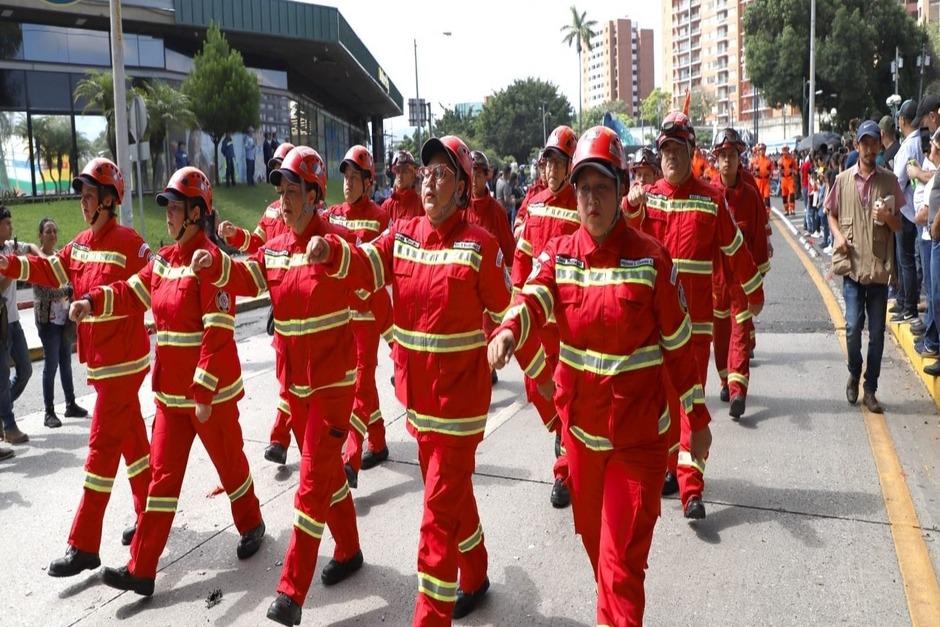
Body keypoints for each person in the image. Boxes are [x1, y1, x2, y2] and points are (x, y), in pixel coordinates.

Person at [489, 126, 711, 626]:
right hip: (583, 442)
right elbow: (532, 297)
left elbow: (680, 348)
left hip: (638, 444)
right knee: (599, 553)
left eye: (602, 188)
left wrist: (696, 419)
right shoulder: (560, 253)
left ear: (621, 188)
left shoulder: (651, 259)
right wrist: (508, 331)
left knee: (620, 567)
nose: (591, 200)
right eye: (583, 189)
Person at [305, 135, 510, 624]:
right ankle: (476, 574)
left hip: (459, 411)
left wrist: (505, 337)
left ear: (462, 189)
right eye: (427, 173)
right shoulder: (402, 234)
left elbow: (509, 308)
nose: (430, 182)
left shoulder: (480, 246)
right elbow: (366, 265)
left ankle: (429, 615)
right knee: (452, 498)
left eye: (443, 174)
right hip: (420, 404)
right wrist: (332, 252)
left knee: (435, 522)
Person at [196, 146, 364, 626]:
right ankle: (349, 550)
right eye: (282, 191)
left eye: (294, 191)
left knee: (309, 486)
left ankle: (291, 593)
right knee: (327, 477)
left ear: (314, 195)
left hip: (332, 391)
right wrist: (216, 263)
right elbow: (249, 274)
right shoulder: (276, 246)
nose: (284, 200)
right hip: (297, 391)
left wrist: (331, 253)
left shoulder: (337, 240)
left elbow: (363, 266)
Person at [80, 166, 265, 596]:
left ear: (197, 213)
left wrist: (203, 392)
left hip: (209, 397)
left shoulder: (211, 261)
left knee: (230, 464)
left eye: (175, 207)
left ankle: (251, 522)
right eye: (167, 206)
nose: (168, 214)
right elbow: (131, 291)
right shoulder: (163, 260)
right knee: (161, 482)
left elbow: (218, 331)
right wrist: (92, 300)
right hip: (170, 397)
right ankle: (141, 569)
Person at [0, 159, 152, 577]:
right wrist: (9, 265)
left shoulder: (131, 243)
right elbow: (51, 267)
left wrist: (96, 300)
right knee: (134, 444)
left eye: (88, 196)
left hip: (124, 364)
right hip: (102, 364)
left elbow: (147, 288)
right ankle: (151, 512)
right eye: (82, 196)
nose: (82, 203)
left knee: (101, 451)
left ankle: (84, 544)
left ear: (108, 201)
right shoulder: (81, 243)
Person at [626, 111, 764, 518]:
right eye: (665, 149)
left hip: (694, 327)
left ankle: (692, 489)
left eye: (677, 149)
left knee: (691, 403)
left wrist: (753, 290)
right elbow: (623, 240)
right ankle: (671, 467)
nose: (670, 156)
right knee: (661, 405)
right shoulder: (648, 198)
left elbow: (735, 248)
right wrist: (630, 206)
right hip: (653, 327)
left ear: (691, 152)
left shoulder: (711, 199)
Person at [512, 125, 580, 509]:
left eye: (558, 164)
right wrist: (516, 298)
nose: (551, 171)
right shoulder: (534, 205)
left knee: (566, 395)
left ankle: (563, 472)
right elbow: (522, 256)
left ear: (570, 166)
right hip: (537, 322)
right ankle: (560, 431)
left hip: (568, 324)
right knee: (536, 387)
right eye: (547, 163)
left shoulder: (581, 205)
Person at [218, 142, 295, 465]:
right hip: (280, 303)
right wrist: (235, 235)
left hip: (302, 302)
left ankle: (280, 437)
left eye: (282, 168)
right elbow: (257, 243)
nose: (278, 177)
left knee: (294, 381)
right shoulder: (272, 211)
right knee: (288, 378)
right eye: (275, 169)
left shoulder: (307, 209)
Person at [321, 145, 393, 485]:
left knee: (360, 385)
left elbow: (382, 269)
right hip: (339, 316)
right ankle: (377, 441)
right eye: (345, 177)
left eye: (355, 178)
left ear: (368, 182)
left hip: (366, 316)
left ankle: (349, 459)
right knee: (361, 385)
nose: (348, 184)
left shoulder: (380, 218)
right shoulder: (332, 214)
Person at [826, 120, 905, 413]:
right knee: (852, 327)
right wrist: (837, 237)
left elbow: (899, 226)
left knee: (877, 333)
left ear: (879, 145)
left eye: (874, 143)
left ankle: (870, 388)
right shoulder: (842, 180)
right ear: (857, 145)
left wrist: (887, 217)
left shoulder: (890, 181)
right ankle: (854, 371)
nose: (870, 149)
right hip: (852, 267)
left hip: (879, 269)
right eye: (865, 144)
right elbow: (831, 214)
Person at [710, 129, 770, 420]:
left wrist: (757, 278)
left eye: (732, 155)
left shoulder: (750, 196)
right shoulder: (709, 194)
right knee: (720, 335)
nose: (727, 161)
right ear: (716, 159)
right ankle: (726, 380)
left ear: (739, 158)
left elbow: (757, 238)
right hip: (715, 278)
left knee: (740, 332)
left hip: (741, 279)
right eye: (722, 156)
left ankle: (738, 391)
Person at [34, 217, 88, 428]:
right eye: (48, 231)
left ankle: (70, 404)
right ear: (40, 236)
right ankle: (48, 412)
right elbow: (42, 292)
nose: (52, 235)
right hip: (48, 323)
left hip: (64, 319)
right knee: (51, 365)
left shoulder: (59, 258)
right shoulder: (38, 261)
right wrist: (66, 290)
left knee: (66, 363)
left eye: (54, 231)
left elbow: (71, 282)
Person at [0, 207, 36, 444]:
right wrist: (14, 269)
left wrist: (44, 256)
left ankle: (3, 413)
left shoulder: (9, 247)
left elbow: (30, 247)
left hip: (14, 321)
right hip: (1, 324)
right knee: (3, 378)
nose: (11, 227)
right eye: (7, 223)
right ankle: (9, 425)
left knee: (25, 370)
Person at [892, 101, 924, 327]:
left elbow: (898, 180)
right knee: (908, 260)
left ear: (902, 119)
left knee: (906, 261)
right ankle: (904, 300)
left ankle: (908, 305)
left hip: (906, 209)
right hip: (914, 208)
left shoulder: (908, 145)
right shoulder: (918, 141)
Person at [382, 149, 423, 225]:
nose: (400, 176)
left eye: (404, 171)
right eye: (397, 171)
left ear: (413, 175)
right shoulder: (387, 206)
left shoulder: (422, 204)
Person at [751, 143, 774, 210]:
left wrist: (770, 174)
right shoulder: (755, 160)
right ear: (758, 150)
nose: (762, 151)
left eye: (763, 149)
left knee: (767, 196)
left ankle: (767, 211)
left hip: (766, 181)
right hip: (758, 180)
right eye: (761, 150)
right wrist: (754, 170)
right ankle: (759, 210)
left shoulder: (768, 160)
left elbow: (771, 169)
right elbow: (751, 169)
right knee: (759, 196)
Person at [779, 145, 798, 216]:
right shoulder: (780, 160)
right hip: (783, 179)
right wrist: (780, 170)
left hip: (790, 179)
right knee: (784, 195)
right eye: (784, 150)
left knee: (792, 193)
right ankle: (786, 210)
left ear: (788, 150)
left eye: (786, 150)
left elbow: (796, 169)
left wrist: (793, 171)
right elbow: (779, 170)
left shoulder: (792, 160)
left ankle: (792, 209)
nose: (785, 151)